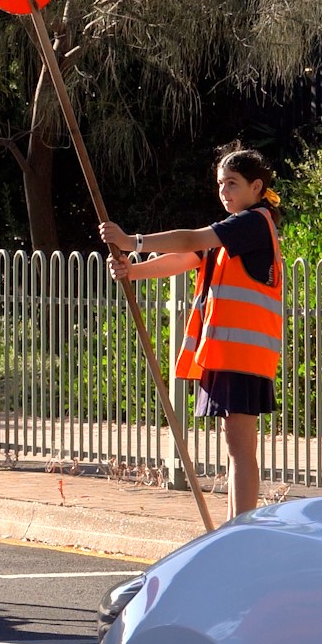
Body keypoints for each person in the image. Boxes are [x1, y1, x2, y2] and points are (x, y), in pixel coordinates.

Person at [100, 143, 282, 521]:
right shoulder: (233, 232)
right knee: (235, 448)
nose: (224, 191)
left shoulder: (252, 223)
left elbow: (189, 239)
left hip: (242, 356)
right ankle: (236, 527)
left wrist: (132, 242)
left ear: (256, 186)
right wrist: (132, 270)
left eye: (232, 183)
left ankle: (240, 530)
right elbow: (185, 258)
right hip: (227, 355)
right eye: (220, 184)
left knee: (240, 449)